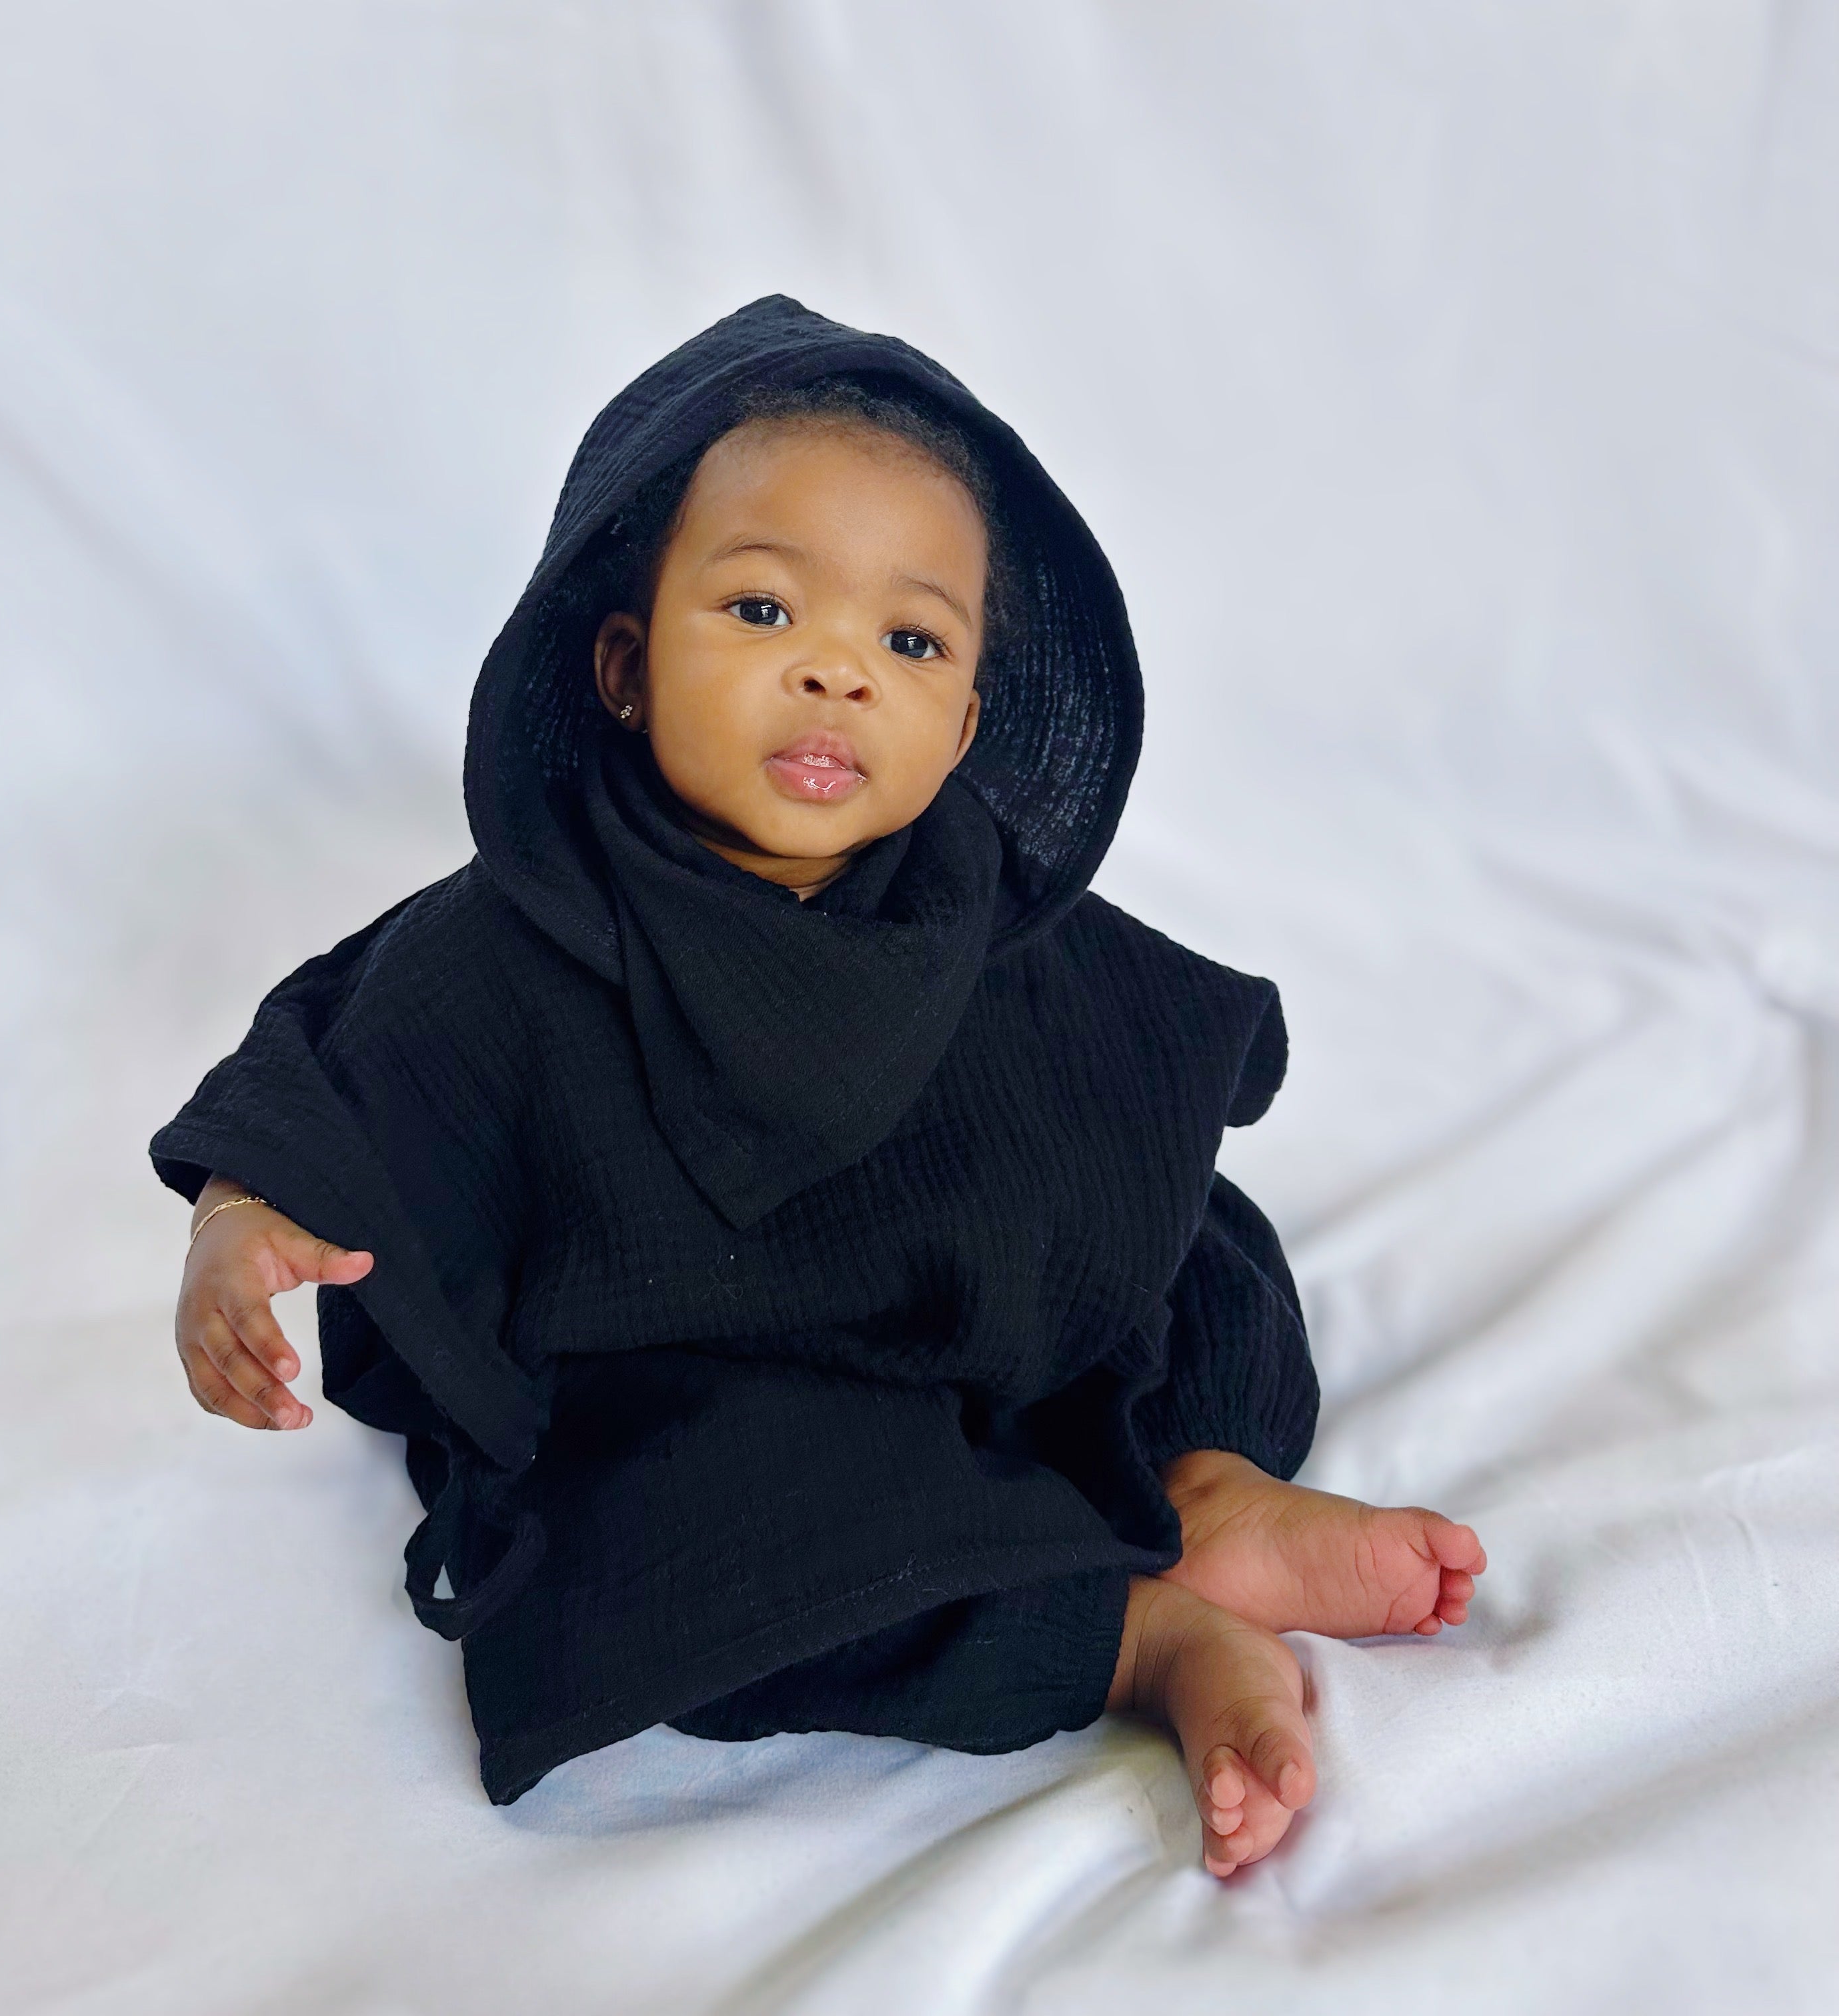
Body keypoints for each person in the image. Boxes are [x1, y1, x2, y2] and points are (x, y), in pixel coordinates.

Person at [155, 297, 1485, 1877]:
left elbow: (1142, 1067)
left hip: (981, 1318)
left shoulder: (976, 902)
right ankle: (1139, 1635)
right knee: (666, 1566)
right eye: (764, 609)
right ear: (626, 665)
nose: (837, 672)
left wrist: (1124, 1192)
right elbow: (335, 1074)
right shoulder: (526, 927)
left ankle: (1207, 1478)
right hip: (723, 1379)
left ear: (966, 722)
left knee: (1203, 1248)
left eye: (908, 642)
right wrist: (239, 1224)